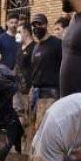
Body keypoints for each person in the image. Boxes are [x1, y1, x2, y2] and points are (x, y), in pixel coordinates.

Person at [18, 12, 62, 149]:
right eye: (34, 25)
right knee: (30, 127)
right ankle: (31, 158)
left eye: (39, 24)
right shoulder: (37, 46)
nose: (36, 27)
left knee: (43, 129)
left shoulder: (57, 44)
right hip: (35, 92)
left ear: (46, 25)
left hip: (50, 94)